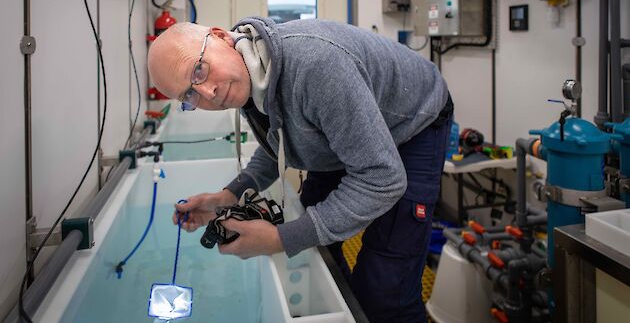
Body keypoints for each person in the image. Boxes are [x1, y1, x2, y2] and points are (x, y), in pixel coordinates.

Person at [147, 17, 452, 323]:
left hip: (413, 122)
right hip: (350, 132)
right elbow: (279, 145)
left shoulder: (316, 65)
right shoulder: (249, 72)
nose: (208, 93)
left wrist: (280, 239)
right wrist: (229, 195)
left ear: (220, 37)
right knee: (319, 246)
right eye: (190, 95)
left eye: (198, 70)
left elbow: (382, 179)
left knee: (384, 291)